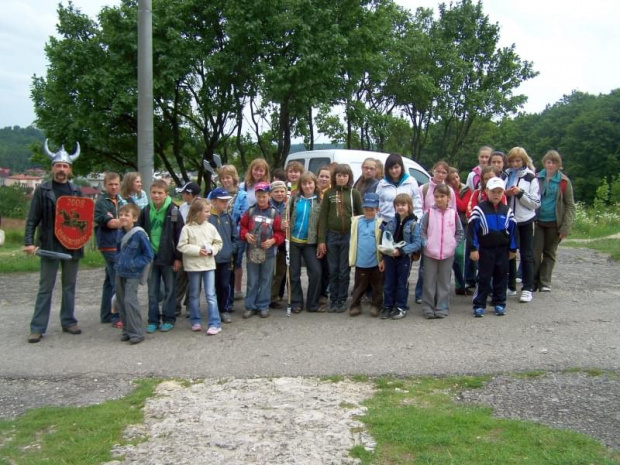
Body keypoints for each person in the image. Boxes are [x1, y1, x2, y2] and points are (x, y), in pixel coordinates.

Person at [24, 142, 84, 343]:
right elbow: (33, 219)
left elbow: (82, 220)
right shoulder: (43, 190)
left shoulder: (76, 191)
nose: (61, 169)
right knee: (45, 287)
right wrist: (29, 242)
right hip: (49, 244)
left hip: (72, 245)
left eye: (65, 166)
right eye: (58, 165)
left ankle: (68, 321)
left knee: (69, 286)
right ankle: (38, 327)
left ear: (70, 169)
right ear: (52, 168)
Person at [138, 180, 184, 333]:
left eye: (160, 193)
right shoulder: (145, 211)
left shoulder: (174, 211)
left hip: (169, 257)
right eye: (154, 193)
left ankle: (169, 318)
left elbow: (180, 236)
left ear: (166, 194)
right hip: (151, 257)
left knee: (170, 290)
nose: (156, 195)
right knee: (152, 291)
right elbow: (140, 233)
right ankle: (153, 319)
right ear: (150, 193)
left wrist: (178, 258)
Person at [468, 177, 517, 317]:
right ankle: (479, 304)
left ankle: (499, 303)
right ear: (486, 192)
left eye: (499, 191)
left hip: (502, 250)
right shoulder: (479, 209)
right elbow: (472, 231)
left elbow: (513, 231)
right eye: (493, 191)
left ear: (503, 193)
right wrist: (473, 248)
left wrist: (513, 249)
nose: (496, 194)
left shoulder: (507, 210)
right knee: (483, 277)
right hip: (485, 249)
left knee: (501, 276)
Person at [317, 164, 362, 312]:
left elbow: (361, 216)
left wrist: (359, 237)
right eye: (339, 175)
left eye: (344, 175)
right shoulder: (329, 193)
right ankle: (334, 299)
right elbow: (323, 218)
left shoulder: (354, 193)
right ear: (334, 177)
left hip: (348, 236)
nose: (341, 178)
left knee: (344, 270)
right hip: (331, 236)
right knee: (333, 269)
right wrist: (321, 240)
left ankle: (342, 299)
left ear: (349, 177)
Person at [177, 198, 223, 335]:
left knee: (210, 294)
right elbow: (182, 246)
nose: (209, 214)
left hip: (208, 265)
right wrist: (197, 251)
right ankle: (195, 320)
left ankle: (215, 322)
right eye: (206, 211)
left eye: (209, 211)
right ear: (197, 212)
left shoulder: (211, 227)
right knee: (194, 294)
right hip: (193, 266)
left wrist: (212, 250)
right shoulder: (187, 228)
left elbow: (218, 243)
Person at [240, 182, 285, 318]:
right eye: (259, 196)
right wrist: (246, 234)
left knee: (266, 280)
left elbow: (280, 233)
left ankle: (263, 306)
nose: (261, 199)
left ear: (269, 196)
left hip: (269, 253)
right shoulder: (250, 211)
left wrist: (273, 240)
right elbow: (242, 227)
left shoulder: (274, 213)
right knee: (252, 280)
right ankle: (250, 306)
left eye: (264, 196)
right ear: (256, 196)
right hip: (252, 252)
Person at [419, 184, 464, 319]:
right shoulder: (429, 213)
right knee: (429, 281)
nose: (439, 199)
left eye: (442, 196)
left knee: (444, 282)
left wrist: (453, 244)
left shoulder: (453, 214)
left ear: (448, 198)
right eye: (436, 196)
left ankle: (442, 307)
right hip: (430, 253)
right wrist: (426, 243)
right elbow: (422, 230)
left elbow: (460, 232)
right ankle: (428, 307)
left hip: (447, 253)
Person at [533, 150, 575, 292]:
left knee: (550, 252)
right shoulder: (536, 178)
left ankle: (545, 282)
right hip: (537, 222)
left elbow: (570, 205)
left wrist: (565, 227)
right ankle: (533, 281)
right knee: (535, 252)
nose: (551, 165)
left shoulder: (564, 182)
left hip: (554, 223)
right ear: (544, 163)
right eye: (548, 162)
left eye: (554, 162)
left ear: (559, 165)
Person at [504, 147, 540, 303]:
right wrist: (506, 193)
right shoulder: (506, 175)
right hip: (509, 220)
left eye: (517, 160)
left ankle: (527, 288)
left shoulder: (531, 178)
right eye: (512, 161)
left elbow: (535, 203)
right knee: (510, 253)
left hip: (525, 220)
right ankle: (510, 286)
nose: (515, 163)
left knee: (526, 255)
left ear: (524, 160)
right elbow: (499, 195)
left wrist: (519, 193)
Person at [415, 161, 454, 304]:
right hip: (428, 231)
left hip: (444, 233)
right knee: (425, 266)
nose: (440, 175)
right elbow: (418, 208)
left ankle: (440, 295)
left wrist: (452, 238)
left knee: (443, 269)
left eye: (444, 172)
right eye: (438, 171)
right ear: (433, 171)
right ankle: (420, 293)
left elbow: (453, 211)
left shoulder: (449, 190)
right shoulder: (424, 189)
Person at [114, 203, 153, 345]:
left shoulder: (139, 235)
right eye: (121, 215)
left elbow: (148, 255)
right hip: (120, 271)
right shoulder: (120, 232)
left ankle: (136, 332)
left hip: (132, 273)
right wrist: (118, 261)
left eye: (127, 215)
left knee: (130, 301)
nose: (123, 217)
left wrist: (133, 264)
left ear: (135, 218)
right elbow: (118, 250)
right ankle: (126, 330)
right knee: (121, 301)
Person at [379, 194, 422, 320]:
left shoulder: (414, 224)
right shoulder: (391, 221)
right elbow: (385, 238)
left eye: (403, 205)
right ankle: (388, 305)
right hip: (389, 257)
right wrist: (383, 257)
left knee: (401, 283)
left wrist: (401, 251)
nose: (400, 207)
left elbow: (417, 243)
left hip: (404, 258)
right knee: (388, 282)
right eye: (397, 205)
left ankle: (401, 307)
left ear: (409, 206)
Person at [94, 172, 126, 328]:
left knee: (109, 280)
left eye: (116, 184)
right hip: (108, 244)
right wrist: (125, 220)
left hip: (119, 243)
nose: (114, 187)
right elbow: (111, 223)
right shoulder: (101, 203)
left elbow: (122, 220)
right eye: (110, 184)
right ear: (105, 185)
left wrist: (118, 220)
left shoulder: (121, 201)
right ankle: (116, 316)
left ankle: (106, 314)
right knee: (117, 280)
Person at [288, 172, 323, 313]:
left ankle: (312, 303)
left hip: (310, 242)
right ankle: (296, 302)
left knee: (316, 272)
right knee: (294, 273)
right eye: (304, 183)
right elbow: (286, 215)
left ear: (315, 184)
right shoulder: (294, 200)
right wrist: (285, 223)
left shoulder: (320, 201)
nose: (308, 186)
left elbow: (322, 223)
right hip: (293, 241)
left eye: (310, 183)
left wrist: (321, 242)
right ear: (301, 186)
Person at [216, 165, 248, 304]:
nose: (225, 180)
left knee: (236, 263)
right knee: (220, 263)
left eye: (228, 177)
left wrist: (235, 231)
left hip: (235, 234)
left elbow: (244, 215)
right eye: (223, 178)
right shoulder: (217, 194)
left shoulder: (241, 195)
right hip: (218, 233)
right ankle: (221, 293)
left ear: (234, 178)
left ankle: (236, 291)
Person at [348, 193, 383, 317]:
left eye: (372, 209)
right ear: (363, 209)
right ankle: (355, 305)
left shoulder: (380, 224)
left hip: (375, 261)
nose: (369, 212)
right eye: (366, 209)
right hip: (361, 261)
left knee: (377, 286)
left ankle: (376, 305)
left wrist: (382, 259)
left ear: (377, 209)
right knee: (359, 286)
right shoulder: (356, 222)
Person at [208, 188, 238, 323]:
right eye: (222, 201)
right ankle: (213, 310)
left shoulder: (228, 218)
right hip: (210, 259)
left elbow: (235, 237)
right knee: (212, 286)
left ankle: (224, 309)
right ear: (213, 201)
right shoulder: (207, 218)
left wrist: (232, 249)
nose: (225, 203)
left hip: (226, 259)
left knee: (225, 285)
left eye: (226, 201)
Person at [174, 181, 201, 317]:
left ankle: (191, 305)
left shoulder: (202, 206)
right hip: (184, 247)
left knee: (194, 279)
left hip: (197, 248)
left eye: (184, 193)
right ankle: (176, 305)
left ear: (190, 194)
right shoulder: (182, 207)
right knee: (180, 277)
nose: (182, 196)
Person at [376, 153, 422, 221]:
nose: (394, 171)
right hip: (386, 223)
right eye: (391, 168)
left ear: (401, 167)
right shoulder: (382, 184)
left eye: (396, 167)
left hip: (406, 224)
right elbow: (377, 205)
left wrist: (416, 222)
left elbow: (417, 206)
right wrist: (379, 221)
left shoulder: (411, 182)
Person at [447, 168, 471, 295]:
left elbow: (463, 206)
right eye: (452, 179)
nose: (455, 180)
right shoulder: (444, 191)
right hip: (447, 224)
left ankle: (460, 284)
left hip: (461, 224)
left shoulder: (466, 190)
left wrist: (453, 193)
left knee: (460, 254)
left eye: (457, 177)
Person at [269, 180, 289, 309]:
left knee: (280, 271)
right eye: (276, 191)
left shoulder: (287, 205)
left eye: (282, 191)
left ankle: (274, 297)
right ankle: (265, 296)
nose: (279, 194)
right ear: (271, 193)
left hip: (283, 243)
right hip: (269, 242)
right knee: (269, 272)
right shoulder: (267, 205)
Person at [316, 165, 332, 305]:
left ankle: (323, 293)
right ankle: (315, 292)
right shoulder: (312, 191)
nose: (324, 179)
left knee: (326, 266)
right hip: (312, 234)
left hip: (326, 234)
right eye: (321, 176)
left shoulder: (332, 194)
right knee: (315, 267)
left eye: (327, 176)